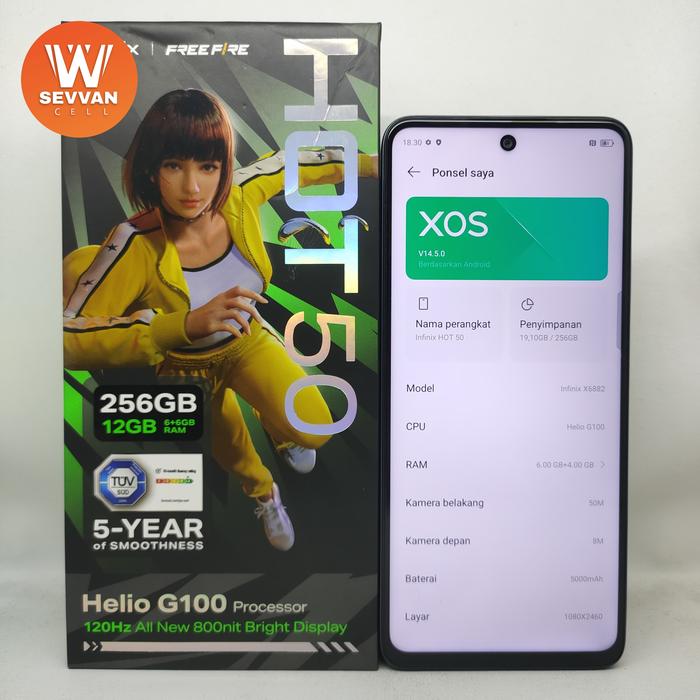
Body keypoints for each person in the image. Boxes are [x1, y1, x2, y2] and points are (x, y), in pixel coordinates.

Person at [63, 89, 377, 551]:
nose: (192, 187)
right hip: (184, 369)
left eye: (208, 166)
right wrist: (179, 326)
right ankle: (264, 494)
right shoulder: (130, 243)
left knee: (312, 428)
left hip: (247, 341)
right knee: (234, 452)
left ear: (223, 168)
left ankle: (279, 428)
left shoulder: (240, 195)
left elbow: (298, 161)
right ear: (150, 169)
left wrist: (375, 163)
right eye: (174, 165)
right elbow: (63, 337)